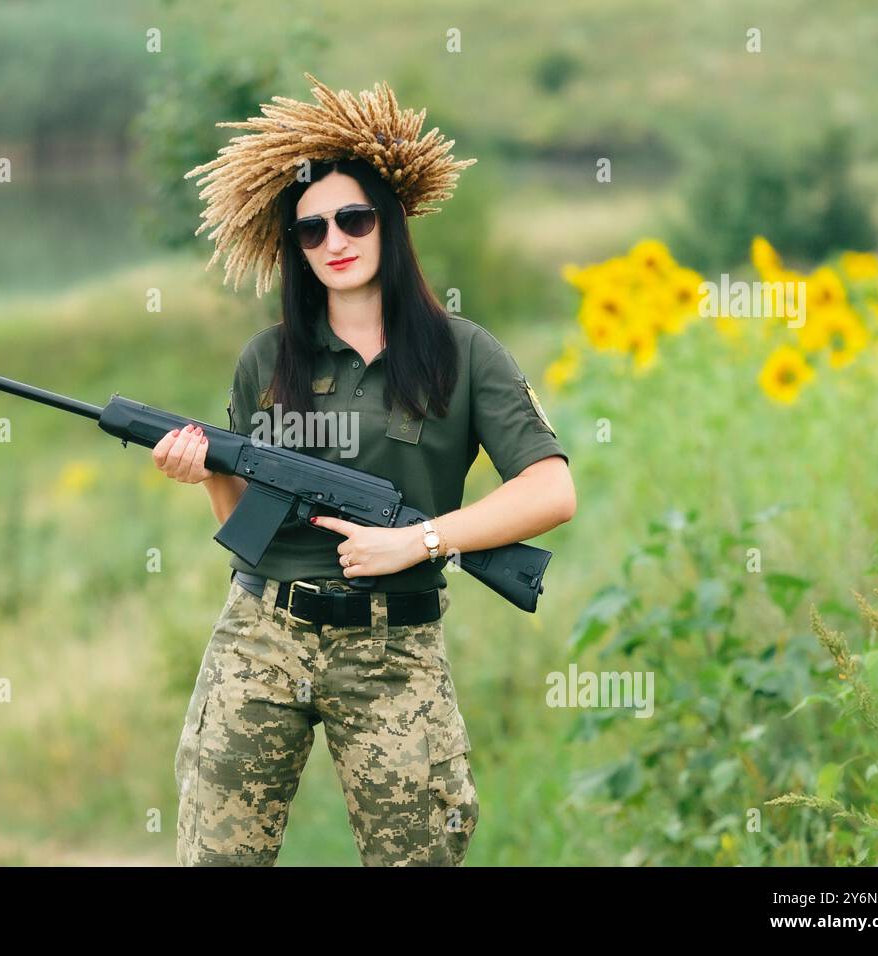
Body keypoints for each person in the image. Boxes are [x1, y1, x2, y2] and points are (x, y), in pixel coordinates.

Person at [154, 74, 576, 866]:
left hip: (395, 646)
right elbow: (249, 532)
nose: (334, 242)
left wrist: (421, 542)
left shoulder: (463, 352)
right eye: (311, 231)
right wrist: (207, 468)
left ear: (389, 224)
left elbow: (552, 490)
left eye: (352, 218)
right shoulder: (266, 361)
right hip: (260, 635)